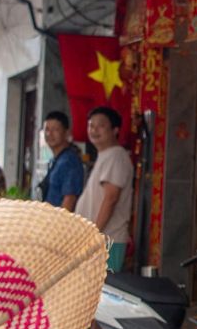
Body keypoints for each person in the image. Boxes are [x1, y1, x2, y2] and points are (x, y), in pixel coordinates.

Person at [76, 107, 133, 272]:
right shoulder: (106, 155)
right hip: (98, 240)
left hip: (107, 240)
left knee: (102, 286)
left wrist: (94, 234)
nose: (94, 130)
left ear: (115, 130)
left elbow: (111, 198)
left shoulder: (116, 156)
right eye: (91, 125)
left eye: (100, 126)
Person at [40, 111, 84, 211]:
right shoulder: (56, 159)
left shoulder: (69, 161)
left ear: (66, 133)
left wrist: (59, 221)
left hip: (59, 219)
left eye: (55, 130)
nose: (49, 134)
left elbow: (70, 198)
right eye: (47, 129)